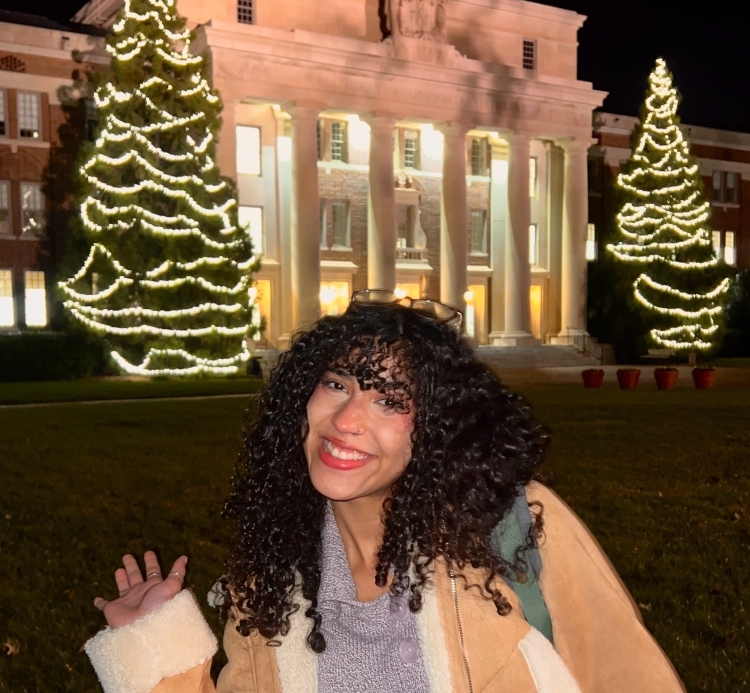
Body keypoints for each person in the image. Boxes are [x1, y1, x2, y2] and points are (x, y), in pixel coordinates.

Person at [85, 291, 686, 693]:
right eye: (337, 383)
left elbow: (626, 675)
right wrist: (155, 649)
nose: (347, 419)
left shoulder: (513, 528)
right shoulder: (269, 576)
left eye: (391, 401)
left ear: (436, 428)